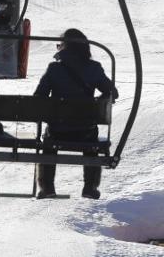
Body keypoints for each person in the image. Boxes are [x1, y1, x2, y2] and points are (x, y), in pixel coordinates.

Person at [34, 28, 118, 200]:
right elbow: (112, 93)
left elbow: (39, 97)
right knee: (92, 139)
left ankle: (47, 186)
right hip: (85, 131)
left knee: (48, 141)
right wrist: (97, 104)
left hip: (58, 130)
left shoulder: (54, 69)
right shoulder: (94, 68)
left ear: (64, 47)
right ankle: (90, 186)